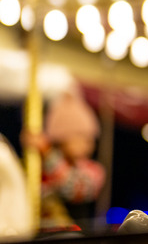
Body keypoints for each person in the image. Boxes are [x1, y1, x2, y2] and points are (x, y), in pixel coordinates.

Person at [21, 86, 106, 234]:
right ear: (61, 140)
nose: (87, 144)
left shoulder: (93, 171)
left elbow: (71, 188)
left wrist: (47, 152)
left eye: (89, 139)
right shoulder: (40, 169)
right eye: (79, 136)